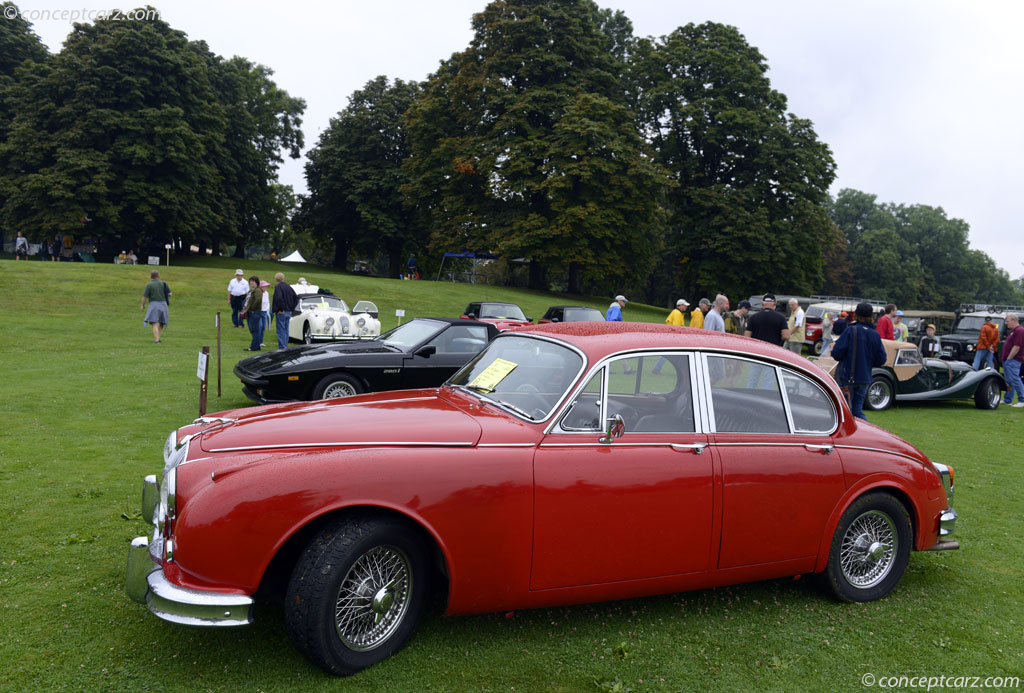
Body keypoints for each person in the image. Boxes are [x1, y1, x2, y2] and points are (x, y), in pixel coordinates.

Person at [831, 302, 887, 420]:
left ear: (856, 314)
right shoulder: (875, 334)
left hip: (847, 377)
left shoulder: (851, 330)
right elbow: (882, 359)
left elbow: (836, 353)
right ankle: (864, 433)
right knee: (857, 410)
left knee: (845, 411)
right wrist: (867, 363)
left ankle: (859, 435)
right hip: (865, 377)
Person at [141, 269, 171, 343]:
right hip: (163, 304)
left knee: (154, 322)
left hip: (153, 305)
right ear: (159, 276)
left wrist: (142, 305)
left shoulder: (149, 285)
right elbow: (170, 293)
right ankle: (158, 338)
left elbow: (145, 296)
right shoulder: (164, 283)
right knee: (161, 322)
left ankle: (156, 340)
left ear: (151, 277)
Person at [1001, 313, 1024, 406]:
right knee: (1008, 380)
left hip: (1013, 360)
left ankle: (1022, 400)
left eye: (1008, 321)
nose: (1006, 323)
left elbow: (1017, 346)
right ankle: (1008, 399)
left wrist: (1009, 358)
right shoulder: (1013, 331)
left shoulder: (1019, 330)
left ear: (1014, 320)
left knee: (1015, 379)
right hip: (1008, 359)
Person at [272, 272, 299, 349]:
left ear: (276, 279)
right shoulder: (289, 287)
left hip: (281, 311)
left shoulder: (278, 287)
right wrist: (292, 308)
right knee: (286, 329)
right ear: (283, 278)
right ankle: (285, 345)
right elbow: (296, 298)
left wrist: (281, 309)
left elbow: (279, 298)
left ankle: (282, 347)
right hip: (288, 311)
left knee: (281, 330)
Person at [243, 276, 264, 351]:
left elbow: (258, 300)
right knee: (253, 329)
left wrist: (252, 308)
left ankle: (254, 347)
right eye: (250, 281)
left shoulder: (258, 290)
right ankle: (256, 346)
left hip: (255, 312)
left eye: (253, 281)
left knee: (254, 330)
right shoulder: (251, 291)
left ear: (257, 282)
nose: (251, 283)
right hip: (250, 312)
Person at [259, 279, 272, 347]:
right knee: (260, 326)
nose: (266, 288)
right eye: (264, 286)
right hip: (259, 312)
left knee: (263, 326)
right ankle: (257, 341)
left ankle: (261, 342)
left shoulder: (266, 293)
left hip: (265, 312)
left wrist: (268, 310)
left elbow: (267, 302)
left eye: (266, 286)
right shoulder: (259, 293)